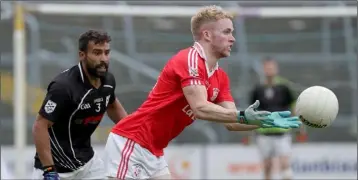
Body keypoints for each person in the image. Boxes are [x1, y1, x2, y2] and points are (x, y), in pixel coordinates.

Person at [103, 5, 302, 179]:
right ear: (207, 35)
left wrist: (263, 121)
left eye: (232, 32)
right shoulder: (189, 59)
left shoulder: (220, 77)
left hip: (154, 151)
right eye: (226, 32)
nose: (232, 38)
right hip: (132, 141)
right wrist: (243, 115)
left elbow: (232, 122)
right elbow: (200, 108)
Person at [31, 30, 128, 180]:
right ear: (82, 55)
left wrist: (134, 134)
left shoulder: (108, 81)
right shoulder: (63, 87)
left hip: (87, 164)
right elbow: (40, 126)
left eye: (106, 53)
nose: (103, 58)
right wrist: (49, 170)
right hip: (56, 170)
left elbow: (112, 105)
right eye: (97, 53)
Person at [249, 57, 307, 180]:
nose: (269, 70)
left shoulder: (284, 87)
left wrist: (299, 126)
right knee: (267, 166)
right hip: (263, 133)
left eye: (271, 67)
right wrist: (249, 132)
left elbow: (293, 106)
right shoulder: (257, 89)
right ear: (263, 70)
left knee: (285, 164)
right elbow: (252, 111)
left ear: (276, 69)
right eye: (267, 68)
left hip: (282, 132)